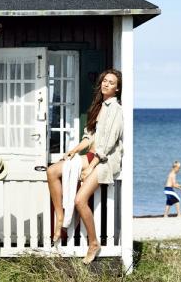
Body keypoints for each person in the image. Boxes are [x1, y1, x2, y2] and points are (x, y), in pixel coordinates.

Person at [46, 69, 124, 264]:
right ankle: (60, 218)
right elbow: (89, 138)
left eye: (111, 82)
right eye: (105, 81)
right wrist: (74, 150)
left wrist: (91, 167)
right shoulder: (98, 106)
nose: (106, 84)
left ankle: (93, 243)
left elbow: (107, 144)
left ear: (117, 88)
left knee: (80, 200)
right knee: (52, 171)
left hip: (105, 160)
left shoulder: (115, 109)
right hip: (92, 155)